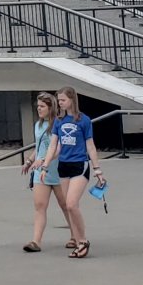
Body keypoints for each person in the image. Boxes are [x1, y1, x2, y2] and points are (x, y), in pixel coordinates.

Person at [40, 87, 106, 260]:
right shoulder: (59, 121)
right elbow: (55, 145)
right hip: (64, 166)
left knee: (71, 204)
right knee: (67, 207)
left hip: (80, 165)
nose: (60, 103)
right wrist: (45, 165)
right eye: (59, 100)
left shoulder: (84, 120)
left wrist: (97, 169)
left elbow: (90, 146)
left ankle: (83, 240)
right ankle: (78, 242)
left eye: (62, 100)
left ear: (71, 100)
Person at [20, 90, 72, 252]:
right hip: (40, 171)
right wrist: (30, 160)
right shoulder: (38, 125)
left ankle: (76, 235)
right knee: (40, 206)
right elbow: (40, 147)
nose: (39, 109)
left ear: (51, 108)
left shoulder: (59, 125)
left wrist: (43, 160)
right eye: (38, 106)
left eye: (42, 106)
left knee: (66, 205)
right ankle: (36, 241)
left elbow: (58, 148)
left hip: (57, 170)